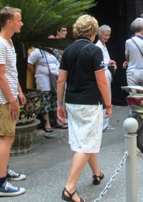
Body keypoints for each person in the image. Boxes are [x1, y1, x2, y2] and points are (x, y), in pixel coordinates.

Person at [57, 15, 112, 202]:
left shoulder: (68, 51)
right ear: (93, 31)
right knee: (87, 143)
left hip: (72, 101)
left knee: (85, 140)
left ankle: (97, 173)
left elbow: (61, 80)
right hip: (90, 102)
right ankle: (70, 187)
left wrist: (59, 104)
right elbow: (102, 82)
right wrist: (109, 104)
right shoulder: (94, 50)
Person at [0, 7, 26, 197]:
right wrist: (12, 100)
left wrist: (18, 91)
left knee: (3, 136)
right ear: (9, 22)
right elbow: (0, 77)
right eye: (19, 20)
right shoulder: (0, 45)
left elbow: (11, 73)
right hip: (2, 100)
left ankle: (4, 170)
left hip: (7, 97)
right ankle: (0, 184)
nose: (22, 23)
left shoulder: (8, 42)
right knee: (6, 138)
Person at [27, 43, 60, 133]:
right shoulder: (38, 52)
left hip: (53, 79)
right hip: (43, 79)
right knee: (45, 99)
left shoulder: (53, 52)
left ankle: (57, 120)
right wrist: (36, 73)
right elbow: (29, 63)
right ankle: (47, 123)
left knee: (54, 99)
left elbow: (57, 63)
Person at [95, 25, 117, 132]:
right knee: (105, 97)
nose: (107, 37)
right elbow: (100, 62)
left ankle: (105, 123)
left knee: (107, 97)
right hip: (102, 74)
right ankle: (104, 124)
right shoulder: (98, 47)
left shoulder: (103, 45)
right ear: (99, 35)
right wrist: (110, 62)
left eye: (109, 35)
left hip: (106, 73)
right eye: (105, 35)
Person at [123, 18, 143, 86]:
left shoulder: (128, 42)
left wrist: (128, 61)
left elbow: (127, 57)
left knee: (132, 95)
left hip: (132, 72)